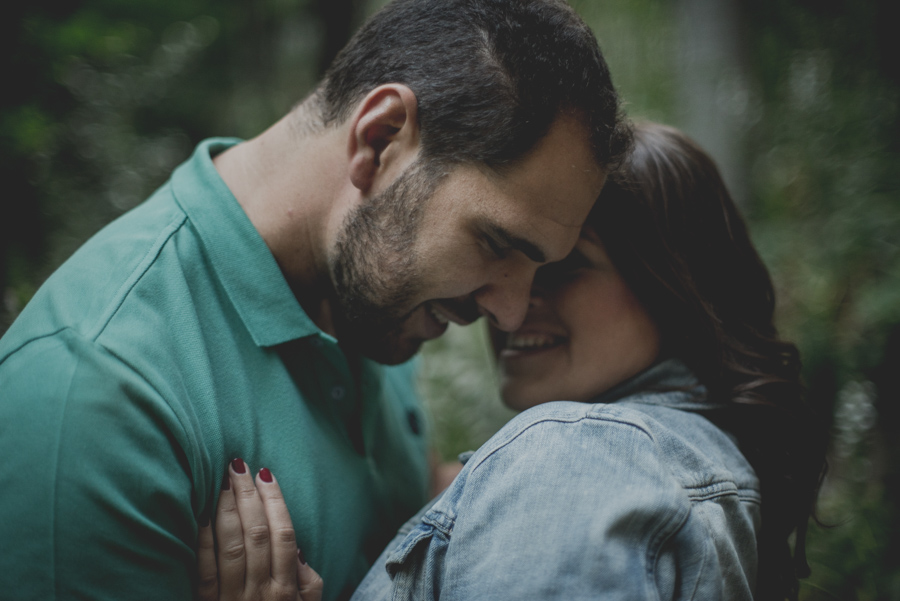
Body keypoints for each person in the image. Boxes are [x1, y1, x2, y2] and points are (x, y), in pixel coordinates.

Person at [0, 0, 631, 599]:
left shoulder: (374, 293)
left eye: (538, 267)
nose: (512, 311)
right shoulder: (94, 397)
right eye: (495, 242)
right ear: (381, 140)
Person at [201, 122, 826, 601]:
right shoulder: (693, 461)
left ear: (679, 288)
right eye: (506, 260)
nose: (510, 308)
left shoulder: (575, 457)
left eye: (565, 269)